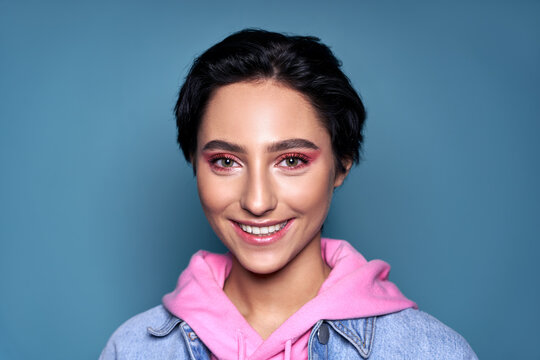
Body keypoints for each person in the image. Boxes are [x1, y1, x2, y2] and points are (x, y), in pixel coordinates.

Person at [100, 29, 477, 359]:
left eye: (292, 160)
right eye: (226, 161)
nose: (258, 202)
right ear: (194, 163)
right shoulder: (132, 349)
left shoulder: (431, 352)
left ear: (341, 164)